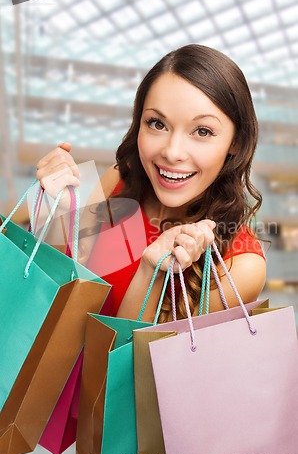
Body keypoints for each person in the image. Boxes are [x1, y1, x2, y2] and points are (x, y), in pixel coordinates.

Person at [36, 44, 266, 323]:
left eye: (202, 131)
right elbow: (52, 290)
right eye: (157, 124)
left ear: (236, 142)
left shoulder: (240, 265)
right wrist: (57, 212)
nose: (172, 152)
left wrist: (152, 273)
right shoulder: (120, 178)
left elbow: (138, 362)